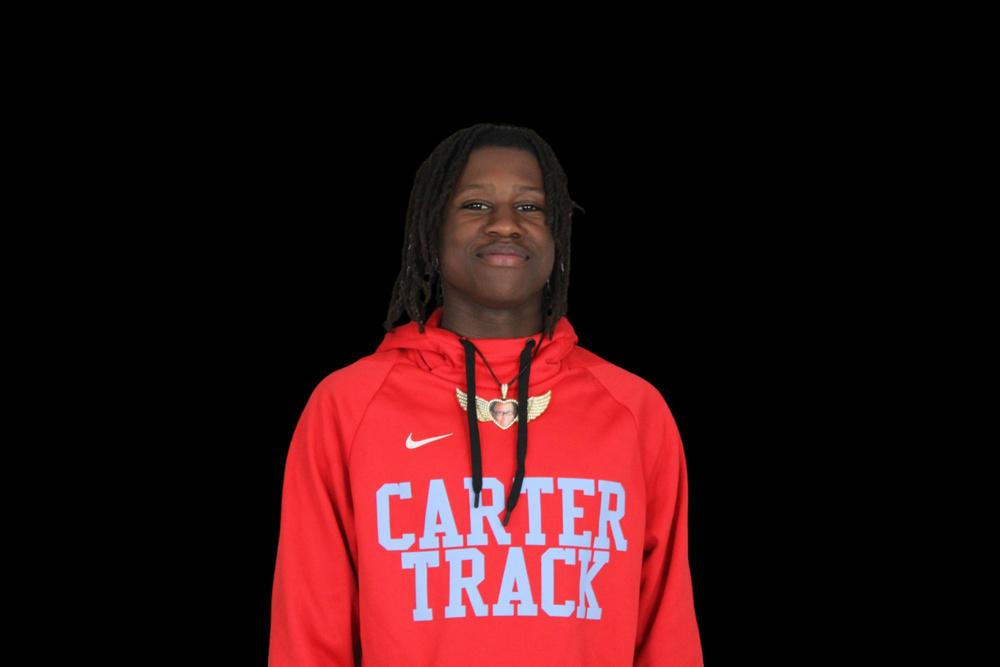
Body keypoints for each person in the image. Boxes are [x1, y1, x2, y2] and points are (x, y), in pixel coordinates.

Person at [268, 122, 704, 666]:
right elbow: (308, 632)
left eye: (530, 207)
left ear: (558, 233)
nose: (504, 225)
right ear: (432, 228)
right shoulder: (347, 406)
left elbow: (667, 633)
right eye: (475, 205)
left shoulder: (634, 411)